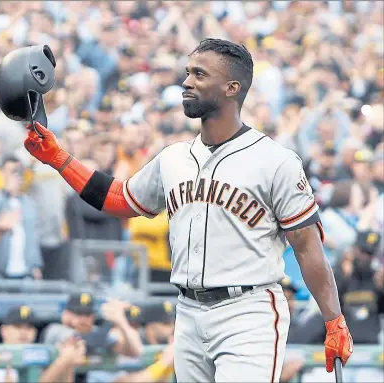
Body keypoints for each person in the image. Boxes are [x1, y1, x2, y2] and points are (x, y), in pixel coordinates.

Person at [24, 38, 353, 382]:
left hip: (248, 311)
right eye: (187, 72)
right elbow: (120, 199)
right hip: (188, 310)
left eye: (199, 74)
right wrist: (59, 159)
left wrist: (334, 320)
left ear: (231, 88)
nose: (186, 81)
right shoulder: (173, 158)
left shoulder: (276, 160)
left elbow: (307, 246)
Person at [0, 156, 43, 279]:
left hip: (25, 271)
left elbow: (34, 236)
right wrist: (6, 191)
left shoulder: (30, 203)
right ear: (2, 172)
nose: (17, 176)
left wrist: (36, 264)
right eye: (12, 171)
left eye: (19, 172)